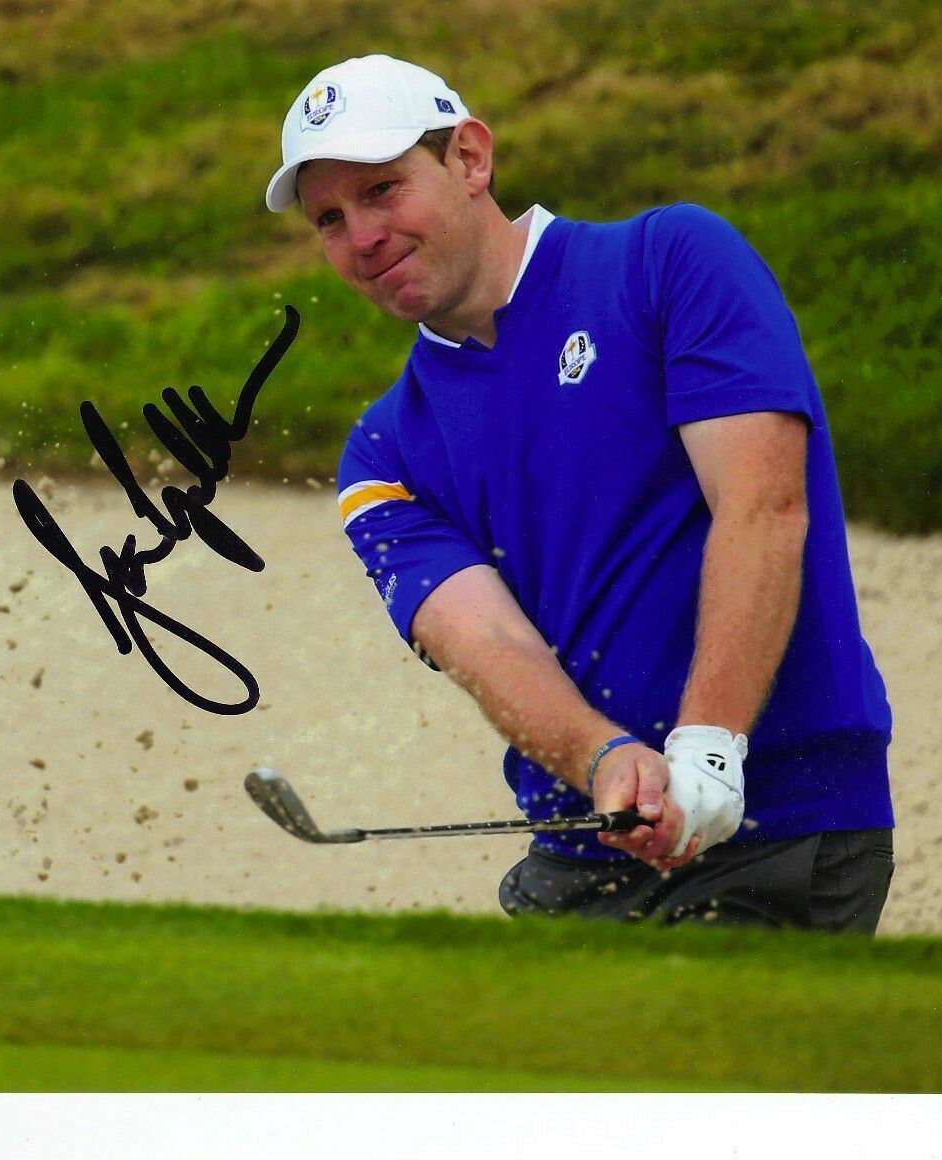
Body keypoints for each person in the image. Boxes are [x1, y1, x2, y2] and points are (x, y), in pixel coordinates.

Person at [264, 54, 895, 932]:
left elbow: (763, 509)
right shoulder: (382, 451)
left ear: (470, 159)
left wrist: (710, 746)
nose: (360, 236)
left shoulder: (669, 263)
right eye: (329, 218)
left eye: (383, 191)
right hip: (581, 846)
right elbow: (482, 641)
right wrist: (600, 756)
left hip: (785, 826)